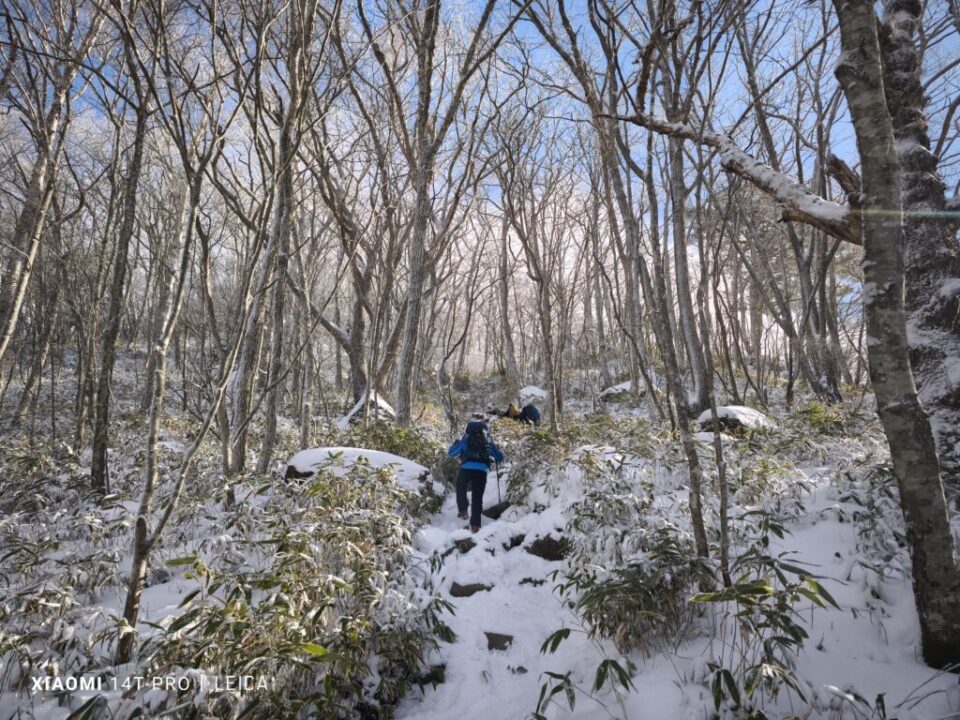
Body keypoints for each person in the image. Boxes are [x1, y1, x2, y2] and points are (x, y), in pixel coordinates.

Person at [448, 420, 505, 533]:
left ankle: (463, 511)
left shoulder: (466, 439)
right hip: (481, 471)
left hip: (466, 469)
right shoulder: (487, 440)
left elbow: (451, 454)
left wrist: (456, 444)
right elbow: (499, 457)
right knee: (477, 497)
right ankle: (475, 525)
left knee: (461, 487)